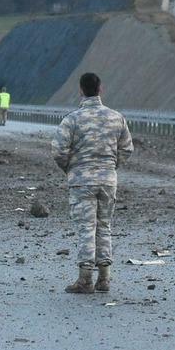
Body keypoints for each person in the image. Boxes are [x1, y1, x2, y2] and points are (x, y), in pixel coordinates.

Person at [51, 72, 133, 294]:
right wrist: (111, 167)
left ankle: (85, 279)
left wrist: (70, 168)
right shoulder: (117, 118)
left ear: (80, 90)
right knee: (104, 226)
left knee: (86, 228)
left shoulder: (72, 119)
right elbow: (127, 148)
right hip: (108, 180)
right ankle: (104, 279)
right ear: (100, 89)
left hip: (81, 181)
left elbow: (58, 150)